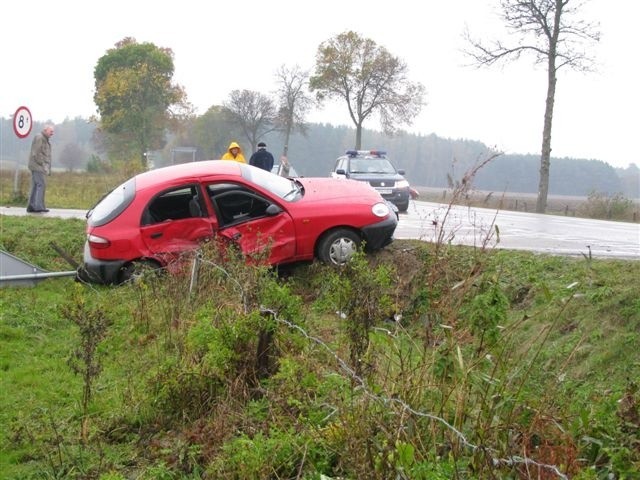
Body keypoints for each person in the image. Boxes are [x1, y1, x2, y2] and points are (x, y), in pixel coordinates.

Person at [27, 124, 54, 213]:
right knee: (41, 184)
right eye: (51, 131)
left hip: (37, 165)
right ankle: (38, 207)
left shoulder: (44, 139)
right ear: (45, 130)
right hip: (37, 166)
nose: (52, 133)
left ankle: (31, 206)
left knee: (35, 185)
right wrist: (43, 164)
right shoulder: (40, 138)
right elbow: (36, 153)